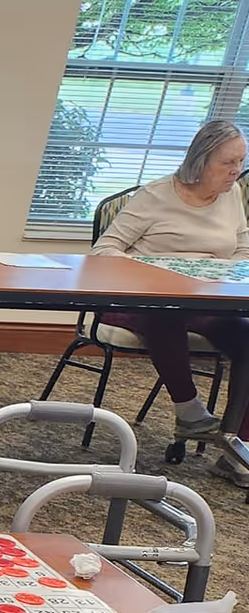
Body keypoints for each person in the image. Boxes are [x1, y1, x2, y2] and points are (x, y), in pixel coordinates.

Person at [90, 117, 249, 466]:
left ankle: (238, 446)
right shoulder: (155, 196)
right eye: (227, 162)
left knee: (247, 334)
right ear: (201, 160)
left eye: (241, 161)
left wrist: (220, 272)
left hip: (207, 300)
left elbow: (242, 250)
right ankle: (190, 411)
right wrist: (156, 272)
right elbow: (104, 251)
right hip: (140, 301)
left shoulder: (232, 195)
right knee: (165, 313)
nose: (236, 171)